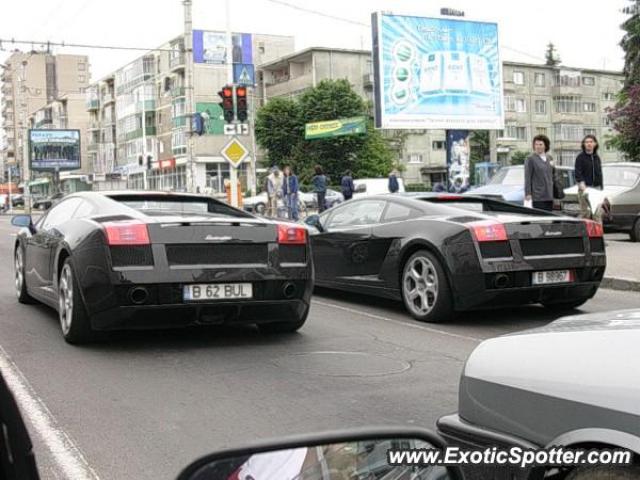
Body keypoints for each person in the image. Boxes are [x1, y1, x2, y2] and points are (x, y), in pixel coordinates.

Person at [575, 134, 604, 222]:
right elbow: (578, 173)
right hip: (585, 188)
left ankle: (598, 235)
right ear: (584, 144)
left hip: (596, 189)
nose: (589, 144)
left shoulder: (597, 157)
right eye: (586, 142)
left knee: (597, 214)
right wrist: (582, 184)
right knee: (586, 214)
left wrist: (601, 189)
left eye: (591, 142)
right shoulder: (580, 157)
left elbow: (599, 174)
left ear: (595, 144)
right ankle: (586, 235)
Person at [524, 135, 555, 211]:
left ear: (545, 146)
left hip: (549, 195)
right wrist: (528, 193)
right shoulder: (530, 159)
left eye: (540, 144)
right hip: (538, 196)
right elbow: (527, 177)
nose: (538, 147)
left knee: (549, 219)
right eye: (536, 144)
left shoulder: (549, 158)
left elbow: (553, 174)